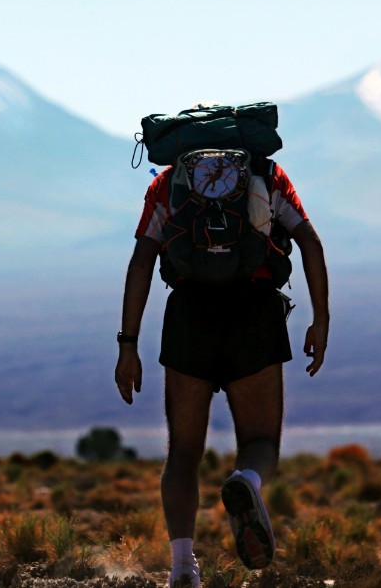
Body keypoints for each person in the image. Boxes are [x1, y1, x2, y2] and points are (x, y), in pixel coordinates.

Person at [114, 144, 329, 588]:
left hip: (189, 318)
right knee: (261, 440)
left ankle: (182, 567)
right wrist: (320, 320)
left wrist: (128, 344)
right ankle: (246, 479)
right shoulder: (267, 176)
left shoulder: (169, 184)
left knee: (183, 452)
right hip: (254, 314)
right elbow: (308, 240)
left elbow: (142, 260)